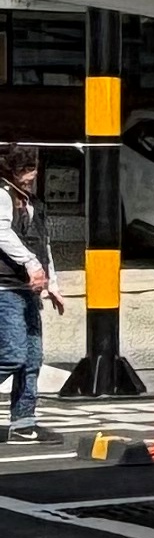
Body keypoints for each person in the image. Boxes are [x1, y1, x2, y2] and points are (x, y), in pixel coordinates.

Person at [0, 147, 53, 441]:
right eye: (26, 169)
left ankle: (23, 421)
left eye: (33, 168)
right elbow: (2, 233)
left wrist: (51, 282)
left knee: (33, 358)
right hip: (5, 287)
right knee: (12, 355)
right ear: (12, 171)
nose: (32, 175)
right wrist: (30, 263)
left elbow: (42, 243)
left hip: (27, 288)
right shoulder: (2, 196)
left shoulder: (30, 201)